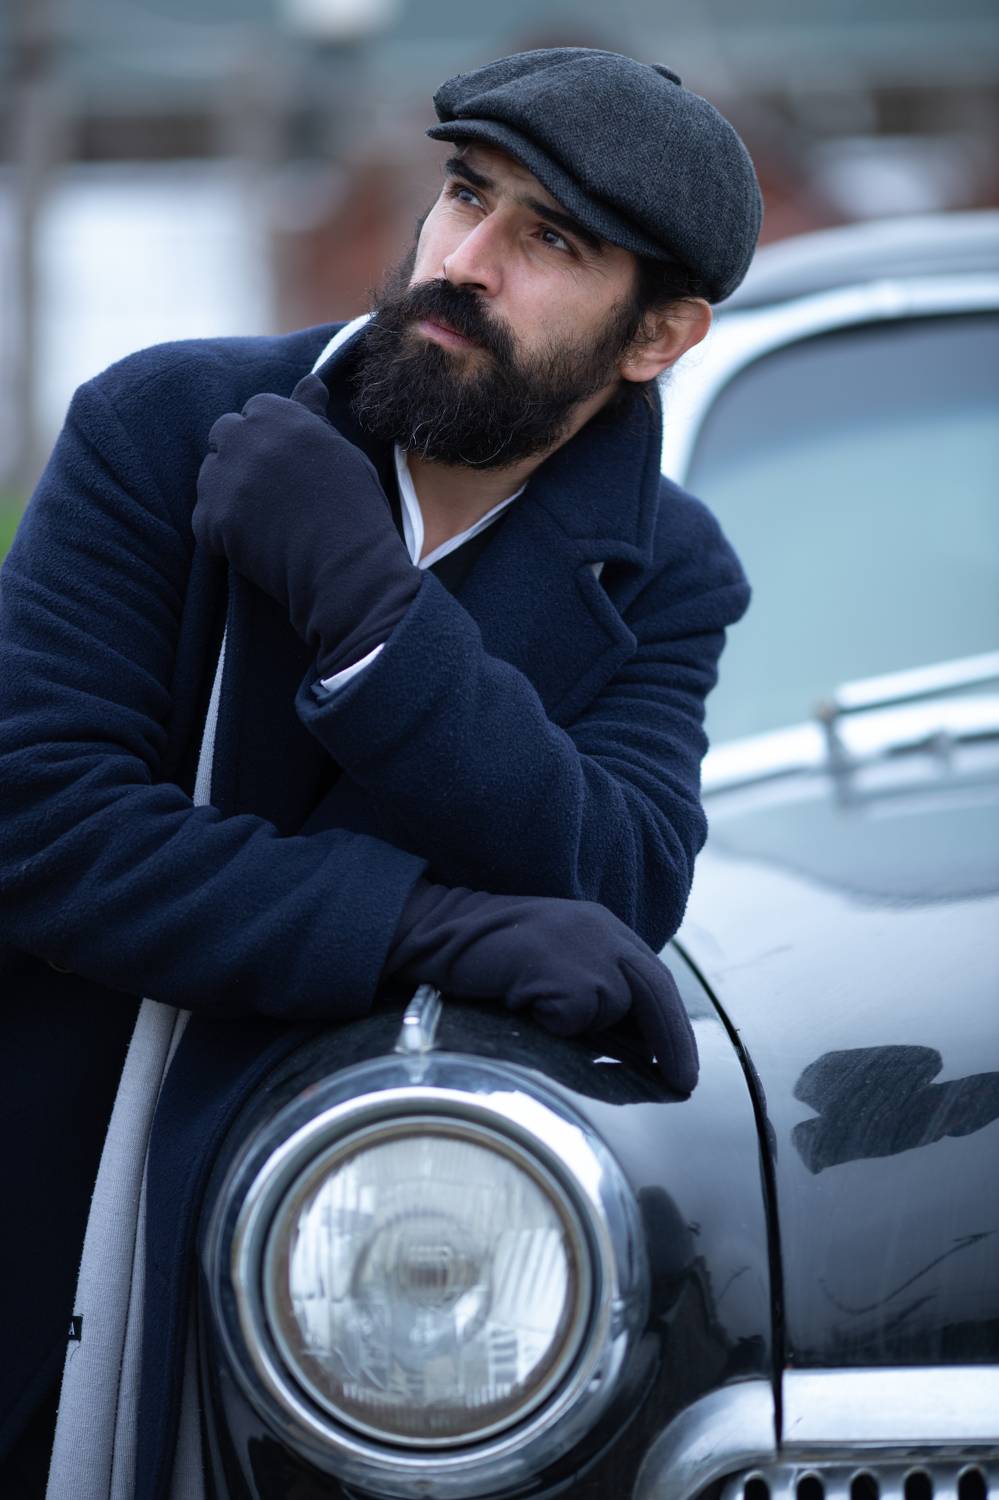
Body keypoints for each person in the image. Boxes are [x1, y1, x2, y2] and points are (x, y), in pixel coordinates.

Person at [0, 47, 761, 1496]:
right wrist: (422, 922)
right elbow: (41, 827)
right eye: (467, 195)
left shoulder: (670, 570)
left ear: (658, 335)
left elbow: (615, 881)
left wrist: (373, 615)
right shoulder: (161, 428)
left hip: (424, 1301)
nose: (463, 262)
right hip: (57, 1215)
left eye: (552, 241)